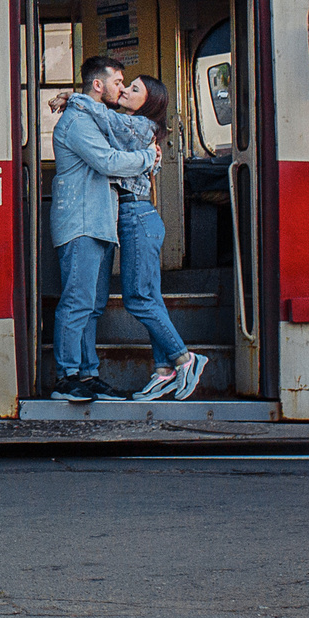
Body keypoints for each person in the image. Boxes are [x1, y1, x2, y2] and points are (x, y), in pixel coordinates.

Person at [48, 55, 157, 402]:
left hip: (97, 222)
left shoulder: (95, 119)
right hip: (80, 222)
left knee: (92, 304)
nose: (122, 88)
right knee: (77, 301)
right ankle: (66, 376)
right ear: (98, 85)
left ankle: (88, 372)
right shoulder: (78, 121)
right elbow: (108, 162)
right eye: (118, 82)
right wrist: (147, 158)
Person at [105, 77, 206, 402]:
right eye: (126, 85)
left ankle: (183, 357)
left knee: (137, 299)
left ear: (148, 103)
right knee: (151, 297)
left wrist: (74, 99)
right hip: (141, 219)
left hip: (137, 219)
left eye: (134, 90)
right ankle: (164, 370)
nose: (124, 91)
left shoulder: (138, 125)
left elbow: (100, 117)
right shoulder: (139, 128)